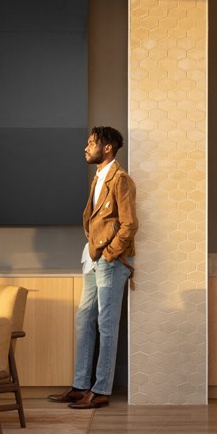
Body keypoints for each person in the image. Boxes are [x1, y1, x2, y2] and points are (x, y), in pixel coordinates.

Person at [49, 126, 138, 409]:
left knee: (106, 325)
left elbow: (129, 224)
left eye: (91, 143)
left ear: (107, 147)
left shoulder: (120, 180)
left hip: (111, 262)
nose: (86, 148)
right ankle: (80, 386)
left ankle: (100, 391)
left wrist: (110, 253)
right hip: (92, 258)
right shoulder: (98, 178)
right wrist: (95, 251)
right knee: (84, 319)